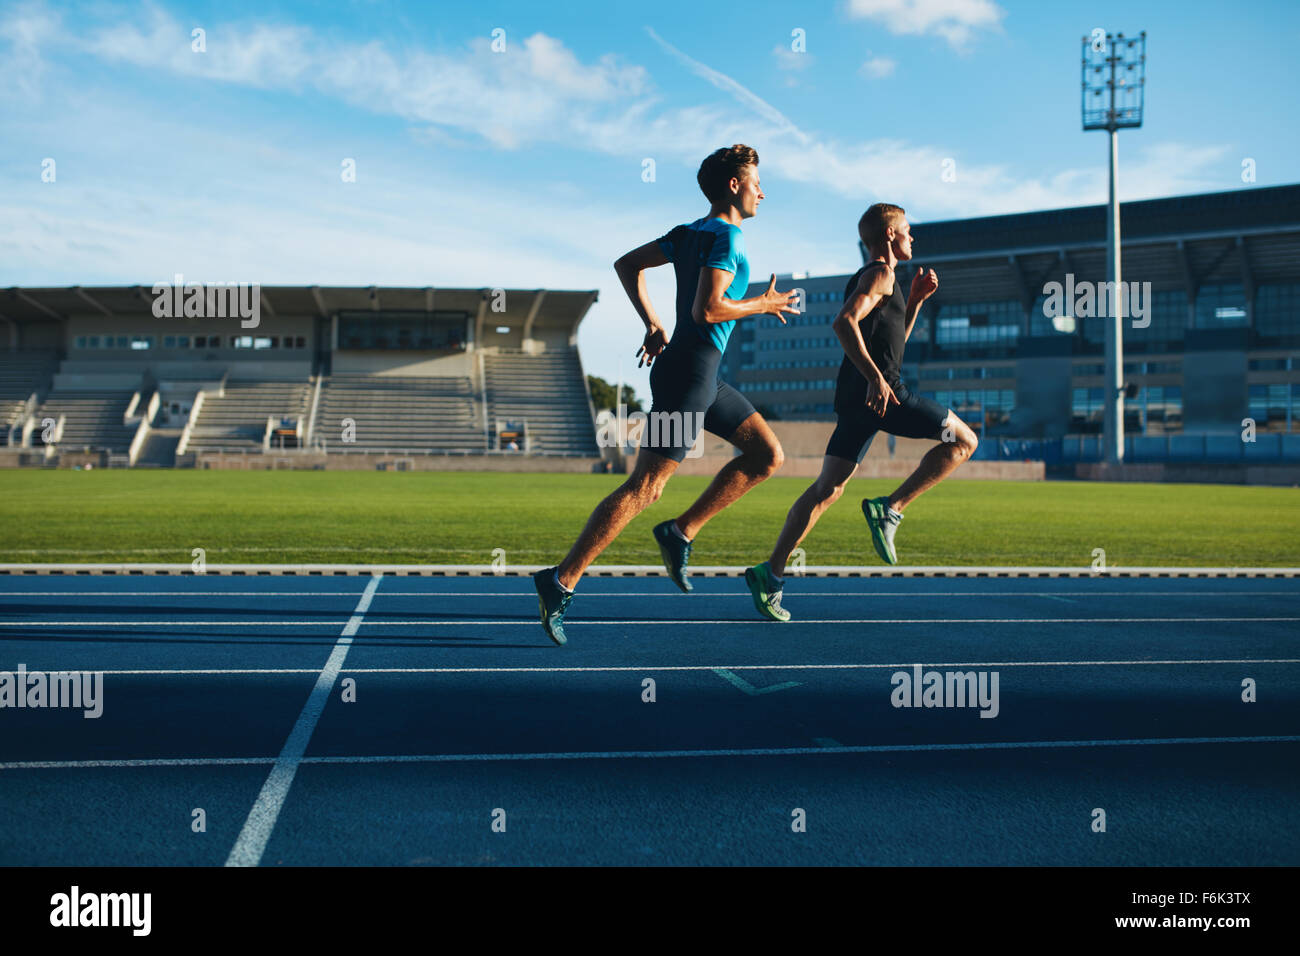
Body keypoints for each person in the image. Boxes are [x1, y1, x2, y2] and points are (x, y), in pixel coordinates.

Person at [532, 144, 800, 644]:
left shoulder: (688, 232)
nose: (763, 191)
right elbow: (709, 310)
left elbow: (626, 263)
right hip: (688, 378)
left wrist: (653, 322)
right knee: (645, 489)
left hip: (697, 373)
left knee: (767, 454)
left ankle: (680, 532)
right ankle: (560, 580)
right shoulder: (727, 238)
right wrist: (762, 303)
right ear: (734, 186)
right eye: (757, 181)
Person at [744, 202, 978, 622]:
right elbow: (844, 323)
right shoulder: (881, 274)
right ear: (890, 235)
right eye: (907, 230)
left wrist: (917, 301)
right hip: (883, 395)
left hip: (858, 399)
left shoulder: (883, 281)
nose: (912, 238)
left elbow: (889, 348)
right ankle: (891, 508)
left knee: (827, 489)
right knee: (964, 440)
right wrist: (875, 378)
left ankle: (771, 573)